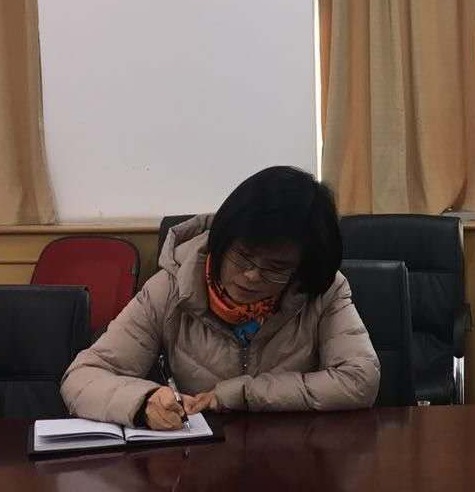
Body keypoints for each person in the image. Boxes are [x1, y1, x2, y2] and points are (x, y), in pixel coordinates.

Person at [61, 166, 379, 427]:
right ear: (221, 240)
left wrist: (240, 394)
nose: (252, 276)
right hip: (201, 464)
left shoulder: (323, 290)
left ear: (301, 270)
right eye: (242, 256)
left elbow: (359, 380)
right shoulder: (172, 287)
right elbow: (83, 377)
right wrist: (142, 402)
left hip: (297, 458)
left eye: (276, 268)